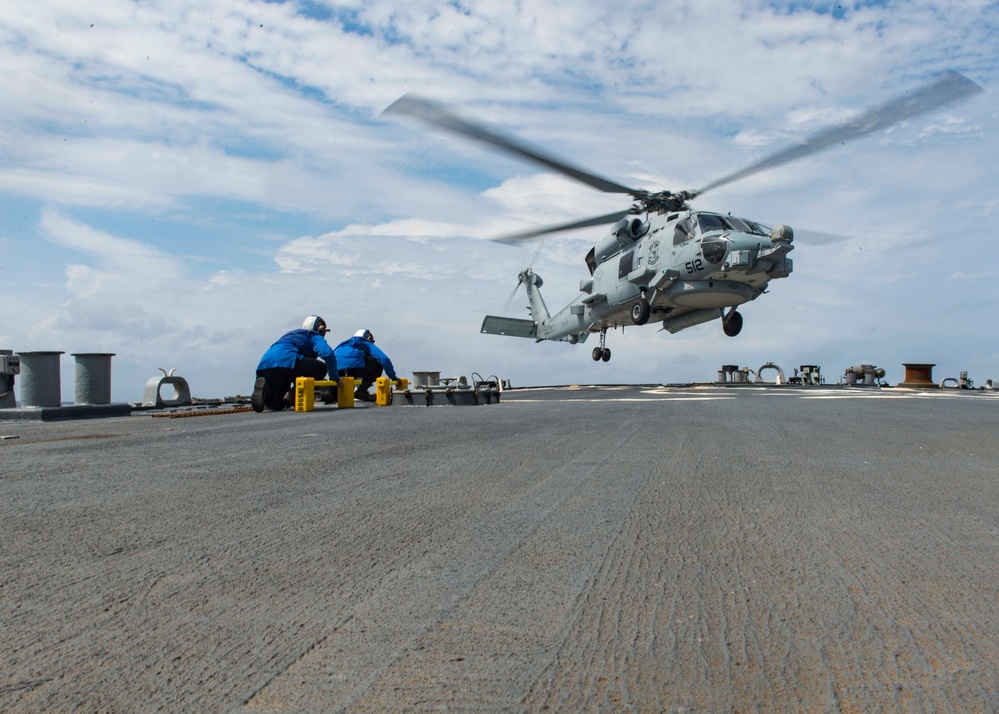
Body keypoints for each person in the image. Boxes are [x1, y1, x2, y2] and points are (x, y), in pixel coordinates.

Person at [251, 315, 339, 412]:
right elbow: (328, 354)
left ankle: (266, 391)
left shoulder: (289, 335)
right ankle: (294, 394)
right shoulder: (313, 335)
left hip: (265, 365)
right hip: (288, 360)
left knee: (277, 404)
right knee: (321, 368)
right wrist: (335, 378)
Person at [334, 328, 398, 402]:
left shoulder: (344, 344)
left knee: (353, 369)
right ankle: (362, 391)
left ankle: (334, 393)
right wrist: (393, 377)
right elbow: (384, 359)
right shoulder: (364, 342)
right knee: (377, 364)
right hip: (353, 365)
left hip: (336, 366)